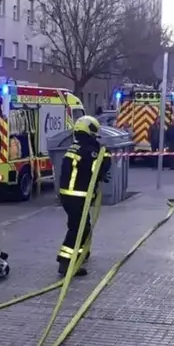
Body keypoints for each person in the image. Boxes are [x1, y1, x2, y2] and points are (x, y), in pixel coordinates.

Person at [56, 115, 111, 277]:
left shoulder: (75, 146)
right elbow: (99, 166)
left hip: (68, 195)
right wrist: (105, 154)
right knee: (78, 229)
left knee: (81, 226)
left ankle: (80, 255)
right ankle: (65, 262)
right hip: (78, 196)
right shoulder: (91, 150)